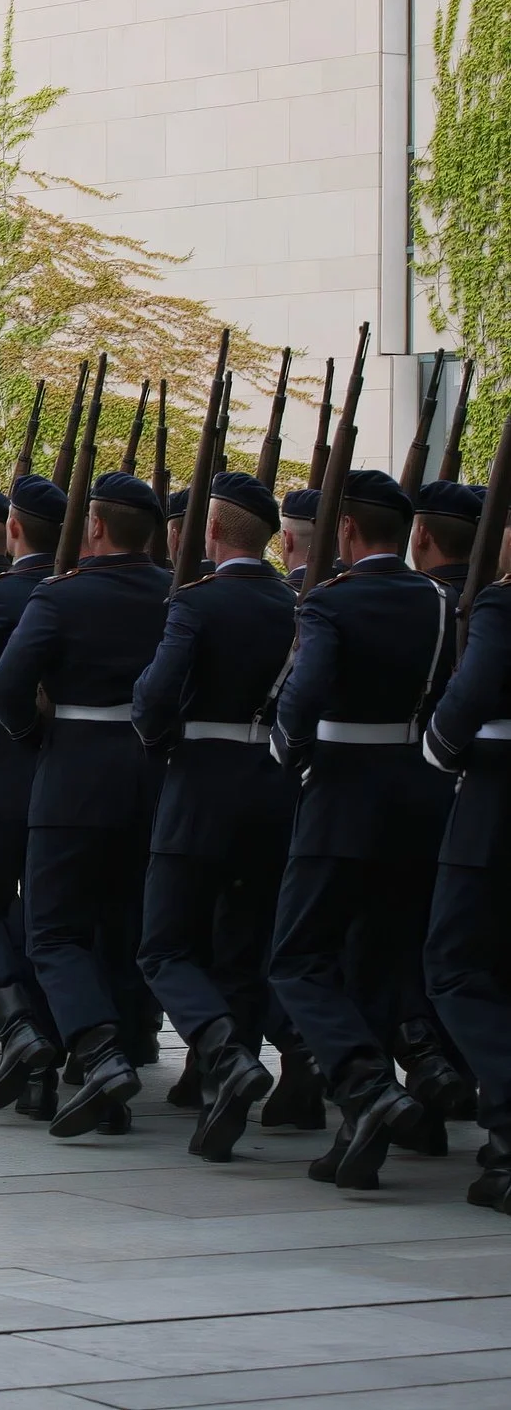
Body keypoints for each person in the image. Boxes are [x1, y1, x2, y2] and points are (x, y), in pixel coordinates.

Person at [270, 468, 459, 1190]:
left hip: (341, 792)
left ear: (345, 528)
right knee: (379, 962)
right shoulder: (438, 602)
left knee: (297, 957)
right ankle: (361, 1135)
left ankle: (364, 1080)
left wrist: (293, 755)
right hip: (415, 795)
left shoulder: (330, 602)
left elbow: (300, 699)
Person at [0, 472, 173, 1138]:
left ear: (94, 525)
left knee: (55, 930)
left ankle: (96, 1052)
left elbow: (7, 682)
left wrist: (36, 735)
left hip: (73, 774)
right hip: (150, 778)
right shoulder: (174, 592)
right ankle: (116, 1064)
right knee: (122, 928)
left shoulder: (62, 596)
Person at [129, 471, 299, 1161]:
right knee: (243, 946)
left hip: (199, 788)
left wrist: (155, 734)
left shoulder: (197, 604)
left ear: (210, 534)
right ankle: (226, 1073)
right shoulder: (296, 602)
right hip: (272, 791)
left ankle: (223, 1052)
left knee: (163, 944)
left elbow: (153, 701)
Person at [421, 498, 511, 1215]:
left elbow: (465, 700)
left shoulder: (503, 605)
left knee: (452, 966)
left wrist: (442, 746)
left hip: (494, 806)